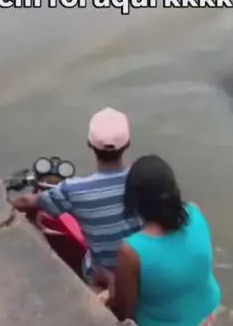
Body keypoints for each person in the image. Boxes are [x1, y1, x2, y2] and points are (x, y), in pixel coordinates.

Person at [9, 108, 143, 288]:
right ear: (127, 145)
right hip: (140, 271)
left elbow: (28, 202)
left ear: (90, 144)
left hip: (100, 274)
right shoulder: (145, 182)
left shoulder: (73, 189)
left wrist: (5, 200)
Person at [111, 154, 221, 326]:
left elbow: (123, 313)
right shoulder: (195, 212)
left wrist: (111, 286)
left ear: (135, 201)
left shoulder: (132, 251)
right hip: (208, 314)